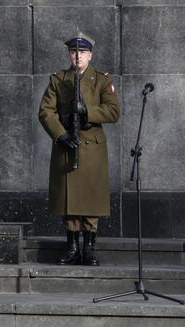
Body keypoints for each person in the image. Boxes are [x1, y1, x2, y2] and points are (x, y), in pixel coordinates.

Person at [38, 32, 120, 266]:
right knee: (70, 200)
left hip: (92, 147)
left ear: (90, 55)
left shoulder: (102, 80)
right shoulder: (58, 79)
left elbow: (114, 111)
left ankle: (89, 249)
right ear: (69, 54)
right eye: (74, 52)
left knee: (91, 199)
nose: (77, 56)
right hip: (67, 144)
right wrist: (60, 134)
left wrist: (88, 112)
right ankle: (72, 248)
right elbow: (45, 111)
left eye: (82, 52)